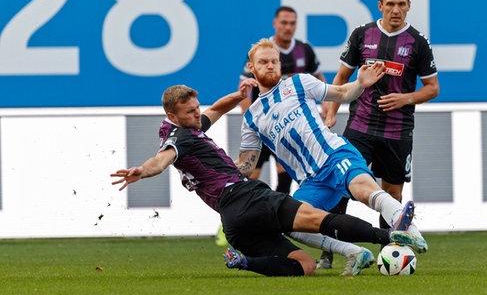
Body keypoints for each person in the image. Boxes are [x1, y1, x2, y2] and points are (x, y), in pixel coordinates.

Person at [110, 81, 421, 277]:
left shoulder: (186, 128)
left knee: (305, 266)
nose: (197, 114)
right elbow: (161, 160)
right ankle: (391, 237)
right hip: (246, 198)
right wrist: (143, 170)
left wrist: (237, 96)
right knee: (318, 218)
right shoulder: (181, 138)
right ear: (173, 116)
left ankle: (243, 263)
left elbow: (214, 111)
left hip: (233, 223)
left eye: (196, 108)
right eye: (190, 112)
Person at [236, 39, 428, 256]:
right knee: (292, 224)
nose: (270, 66)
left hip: (334, 156)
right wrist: (214, 166)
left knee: (363, 190)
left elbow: (342, 92)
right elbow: (246, 166)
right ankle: (354, 253)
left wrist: (360, 84)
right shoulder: (252, 117)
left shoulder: (298, 83)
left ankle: (411, 230)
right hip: (311, 181)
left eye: (274, 61)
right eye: (263, 62)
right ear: (251, 67)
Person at [325, 0, 440, 231]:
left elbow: (433, 88)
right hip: (360, 125)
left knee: (393, 194)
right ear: (380, 6)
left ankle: (388, 247)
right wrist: (331, 113)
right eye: (390, 4)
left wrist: (405, 98)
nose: (395, 10)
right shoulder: (362, 35)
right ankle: (330, 250)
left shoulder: (418, 42)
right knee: (342, 184)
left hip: (397, 130)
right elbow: (341, 78)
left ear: (409, 6)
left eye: (401, 4)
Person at [239, 6, 341, 268]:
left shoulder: (303, 51)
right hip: (264, 128)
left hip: (291, 130)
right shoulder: (263, 52)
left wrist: (327, 111)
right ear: (275, 23)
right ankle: (244, 220)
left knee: (284, 177)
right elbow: (244, 89)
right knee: (250, 176)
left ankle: (276, 225)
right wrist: (251, 122)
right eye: (284, 22)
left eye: (292, 23)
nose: (288, 27)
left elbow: (319, 81)